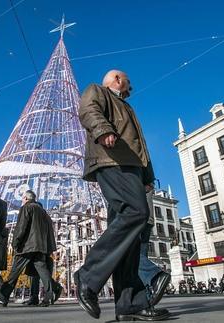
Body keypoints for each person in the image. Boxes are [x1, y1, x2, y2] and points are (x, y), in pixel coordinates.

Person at [75, 69, 170, 321]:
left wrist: (148, 177)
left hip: (131, 167)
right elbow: (87, 109)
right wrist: (102, 129)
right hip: (111, 159)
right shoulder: (98, 90)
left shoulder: (127, 108)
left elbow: (141, 146)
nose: (130, 87)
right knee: (136, 212)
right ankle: (88, 275)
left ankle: (131, 305)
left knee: (129, 236)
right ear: (117, 79)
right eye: (128, 81)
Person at [0, 190, 56, 307]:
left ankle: (4, 296)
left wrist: (16, 243)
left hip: (27, 246)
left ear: (25, 198)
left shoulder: (27, 207)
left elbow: (21, 227)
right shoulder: (43, 212)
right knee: (43, 271)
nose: (21, 201)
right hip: (40, 246)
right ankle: (50, 295)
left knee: (15, 271)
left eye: (22, 198)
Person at [138, 189, 171, 306]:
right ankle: (146, 300)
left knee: (129, 255)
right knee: (140, 256)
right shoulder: (146, 173)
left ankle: (155, 276)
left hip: (136, 218)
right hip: (147, 219)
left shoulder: (133, 174)